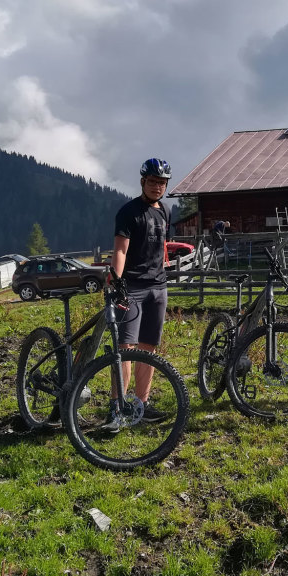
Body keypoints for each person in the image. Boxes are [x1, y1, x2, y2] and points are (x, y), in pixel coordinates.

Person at [101, 157, 173, 432]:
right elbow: (120, 250)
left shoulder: (165, 211)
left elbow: (160, 246)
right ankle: (117, 407)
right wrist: (117, 282)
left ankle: (141, 404)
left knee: (149, 349)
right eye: (153, 181)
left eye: (162, 183)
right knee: (125, 350)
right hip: (132, 288)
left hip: (158, 288)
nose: (157, 187)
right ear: (143, 181)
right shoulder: (128, 212)